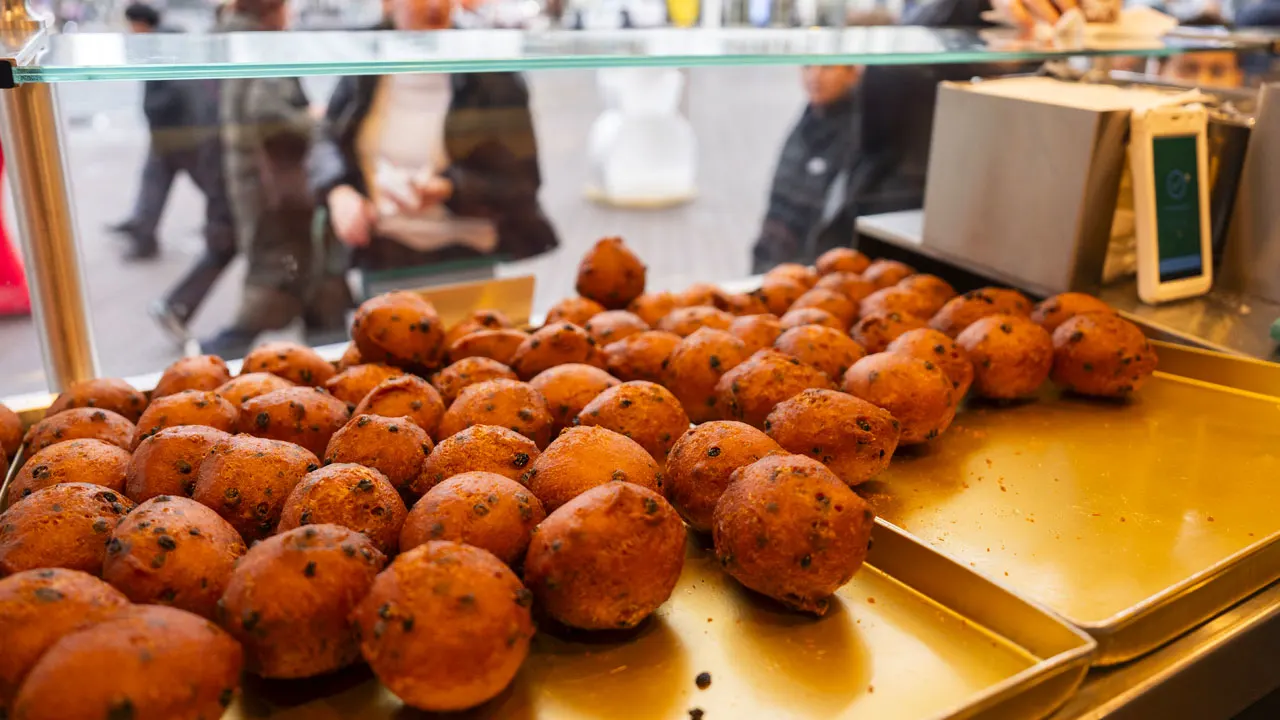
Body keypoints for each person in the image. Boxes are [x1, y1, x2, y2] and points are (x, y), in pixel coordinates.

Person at [309, 0, 558, 294]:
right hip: (382, 253)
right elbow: (327, 137)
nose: (434, 4)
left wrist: (450, 188)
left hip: (464, 254)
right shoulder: (367, 54)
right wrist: (339, 191)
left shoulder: (489, 69)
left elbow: (522, 180)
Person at [203, 0, 351, 357]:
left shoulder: (233, 35)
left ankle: (323, 343)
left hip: (252, 176)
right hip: (274, 185)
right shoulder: (263, 43)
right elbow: (268, 111)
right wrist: (313, 121)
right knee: (282, 269)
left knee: (293, 270)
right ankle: (222, 353)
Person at [751, 65, 863, 273]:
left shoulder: (860, 132)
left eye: (828, 67)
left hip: (817, 269)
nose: (815, 76)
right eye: (807, 66)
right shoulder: (810, 118)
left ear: (853, 73)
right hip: (778, 262)